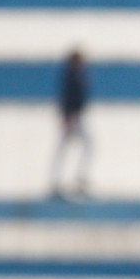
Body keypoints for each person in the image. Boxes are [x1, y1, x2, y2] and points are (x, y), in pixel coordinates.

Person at [49, 49, 91, 199]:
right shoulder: (71, 76)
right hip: (73, 117)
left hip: (75, 117)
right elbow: (68, 98)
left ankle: (68, 180)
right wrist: (69, 117)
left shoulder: (76, 75)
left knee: (70, 148)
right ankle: (60, 181)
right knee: (66, 149)